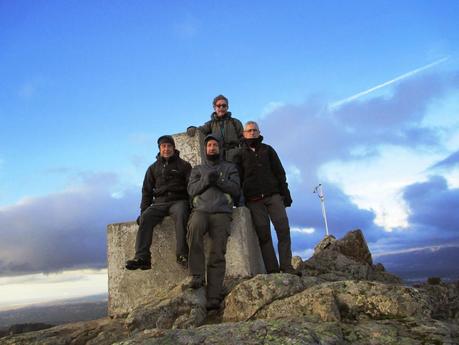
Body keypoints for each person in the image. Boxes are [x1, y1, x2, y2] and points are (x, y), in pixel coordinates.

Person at [234, 121, 301, 276]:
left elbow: (280, 173)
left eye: (254, 130)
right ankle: (273, 270)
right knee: (264, 236)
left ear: (259, 132)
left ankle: (287, 266)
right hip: (254, 200)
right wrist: (241, 200)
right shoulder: (239, 154)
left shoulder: (268, 150)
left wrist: (286, 195)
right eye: (249, 130)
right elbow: (238, 179)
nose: (252, 133)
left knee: (283, 230)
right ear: (244, 134)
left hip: (274, 196)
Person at [186, 134, 240, 310]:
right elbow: (192, 190)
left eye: (215, 145)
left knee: (217, 252)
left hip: (222, 213)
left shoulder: (230, 167)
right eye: (209, 145)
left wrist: (220, 180)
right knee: (193, 230)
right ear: (205, 149)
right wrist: (205, 180)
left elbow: (236, 189)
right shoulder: (198, 169)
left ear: (219, 148)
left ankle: (213, 296)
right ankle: (197, 276)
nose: (212, 148)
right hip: (200, 211)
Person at [125, 135, 192, 270]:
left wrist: (192, 206)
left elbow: (191, 187)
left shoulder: (184, 165)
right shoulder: (152, 168)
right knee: (146, 217)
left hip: (178, 201)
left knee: (181, 215)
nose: (166, 149)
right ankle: (142, 257)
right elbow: (147, 191)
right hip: (159, 203)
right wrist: (143, 212)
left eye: (169, 146)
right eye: (163, 146)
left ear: (174, 147)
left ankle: (182, 254)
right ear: (159, 149)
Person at [186, 94, 243, 162]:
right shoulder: (210, 124)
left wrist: (241, 154)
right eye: (218, 106)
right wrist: (191, 128)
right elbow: (200, 130)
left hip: (235, 158)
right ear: (214, 108)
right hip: (218, 158)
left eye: (224, 105)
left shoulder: (235, 122)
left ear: (227, 107)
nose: (221, 108)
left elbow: (243, 139)